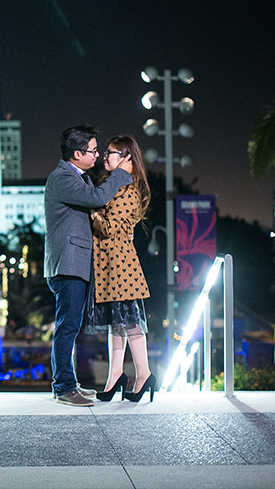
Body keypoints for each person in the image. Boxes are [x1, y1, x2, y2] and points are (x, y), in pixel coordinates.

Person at [43, 125, 132, 406]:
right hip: (68, 264)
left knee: (70, 326)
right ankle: (64, 388)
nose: (97, 155)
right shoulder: (62, 178)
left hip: (75, 263)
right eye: (93, 151)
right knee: (67, 327)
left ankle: (69, 384)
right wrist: (120, 174)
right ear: (78, 153)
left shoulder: (78, 177)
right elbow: (97, 199)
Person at [86, 134, 156, 403]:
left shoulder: (129, 189)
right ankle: (116, 376)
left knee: (129, 322)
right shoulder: (116, 185)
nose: (106, 157)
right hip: (109, 265)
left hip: (122, 266)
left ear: (127, 158)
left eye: (112, 153)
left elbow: (109, 227)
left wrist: (93, 214)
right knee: (117, 324)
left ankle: (144, 374)